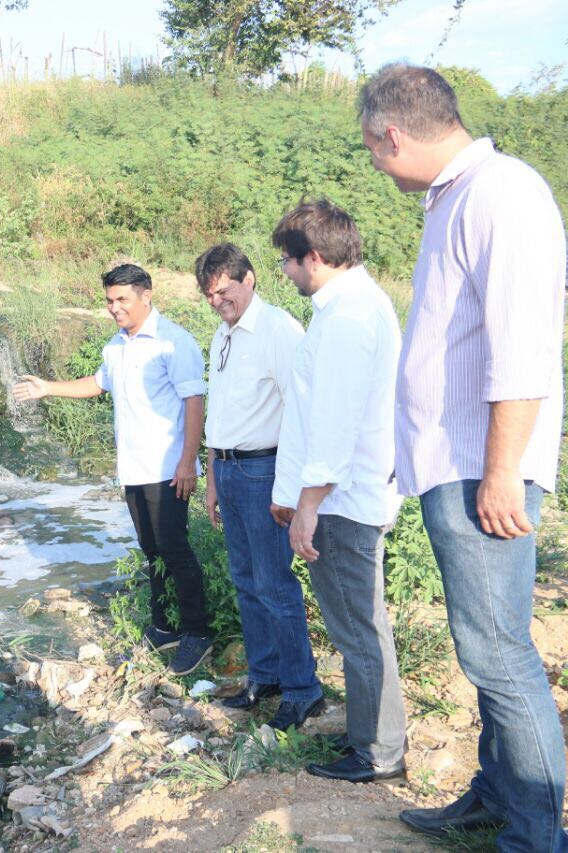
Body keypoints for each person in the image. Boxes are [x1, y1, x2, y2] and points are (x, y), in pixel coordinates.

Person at [359, 64, 568, 849]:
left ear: (393, 133)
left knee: (501, 652)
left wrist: (503, 468)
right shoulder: (458, 197)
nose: (377, 165)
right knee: (487, 647)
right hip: (458, 461)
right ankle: (498, 792)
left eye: (373, 150)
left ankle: (536, 834)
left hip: (485, 466)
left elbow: (523, 348)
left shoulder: (501, 193)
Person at [14, 263, 213, 675]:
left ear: (146, 295)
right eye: (109, 301)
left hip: (167, 467)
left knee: (175, 550)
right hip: (133, 469)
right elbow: (98, 383)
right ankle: (164, 626)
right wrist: (48, 387)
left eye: (122, 299)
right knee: (152, 551)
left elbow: (194, 402)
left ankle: (198, 631)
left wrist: (186, 463)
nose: (114, 308)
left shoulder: (174, 342)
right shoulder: (115, 346)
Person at [269, 200, 407, 782]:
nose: (284, 272)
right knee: (359, 626)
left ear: (316, 258)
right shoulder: (346, 307)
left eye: (288, 261)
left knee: (358, 629)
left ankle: (378, 753)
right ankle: (375, 742)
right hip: (340, 496)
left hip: (342, 502)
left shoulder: (350, 316)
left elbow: (334, 425)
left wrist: (306, 506)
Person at [195, 243, 323, 730]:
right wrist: (211, 476)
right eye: (209, 294)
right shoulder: (221, 334)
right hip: (228, 470)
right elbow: (221, 410)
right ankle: (264, 675)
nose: (217, 301)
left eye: (224, 290)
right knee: (245, 581)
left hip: (266, 472)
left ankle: (303, 690)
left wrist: (288, 489)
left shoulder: (279, 330)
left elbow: (301, 411)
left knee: (275, 584)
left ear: (249, 279)